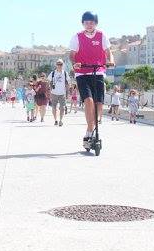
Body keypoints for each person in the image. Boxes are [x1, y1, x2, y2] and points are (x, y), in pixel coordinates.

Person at [70, 11, 115, 149]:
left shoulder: (102, 35)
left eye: (92, 22)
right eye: (86, 22)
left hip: (98, 71)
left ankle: (92, 128)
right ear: (83, 23)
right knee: (88, 101)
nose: (89, 25)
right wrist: (74, 63)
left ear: (95, 23)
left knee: (99, 103)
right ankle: (90, 130)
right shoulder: (77, 37)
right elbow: (72, 55)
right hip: (82, 73)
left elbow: (108, 52)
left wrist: (111, 61)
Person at [48, 59, 72, 126]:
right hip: (54, 93)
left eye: (61, 64)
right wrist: (49, 92)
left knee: (62, 107)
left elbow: (68, 83)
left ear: (62, 65)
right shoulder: (53, 73)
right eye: (58, 64)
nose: (59, 65)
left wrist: (68, 93)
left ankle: (61, 120)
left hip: (62, 93)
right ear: (56, 65)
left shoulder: (65, 73)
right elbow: (49, 82)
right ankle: (55, 120)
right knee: (54, 107)